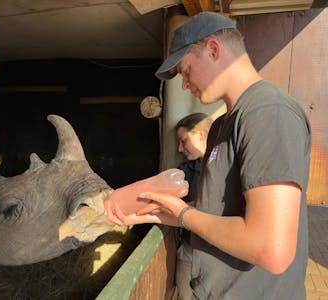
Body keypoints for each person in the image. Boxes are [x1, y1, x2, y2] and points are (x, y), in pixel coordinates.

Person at [111, 11, 311, 300]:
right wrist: (158, 212)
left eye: (186, 71)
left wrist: (183, 213)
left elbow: (272, 249)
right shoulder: (220, 125)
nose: (184, 85)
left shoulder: (268, 112)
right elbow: (217, 211)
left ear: (213, 50)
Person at [174, 113, 212, 300]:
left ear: (202, 135)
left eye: (184, 141)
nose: (179, 148)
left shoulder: (227, 168)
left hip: (217, 254)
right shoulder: (185, 170)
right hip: (189, 248)